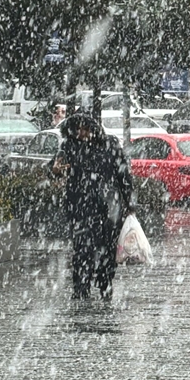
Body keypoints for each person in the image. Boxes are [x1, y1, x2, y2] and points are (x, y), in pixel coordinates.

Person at [52, 114, 133, 300]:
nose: (82, 133)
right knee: (82, 249)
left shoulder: (109, 144)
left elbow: (123, 175)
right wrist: (56, 170)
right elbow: (56, 167)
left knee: (107, 247)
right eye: (77, 130)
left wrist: (129, 202)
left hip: (108, 206)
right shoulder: (69, 146)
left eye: (85, 129)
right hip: (79, 206)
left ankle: (105, 283)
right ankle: (81, 286)